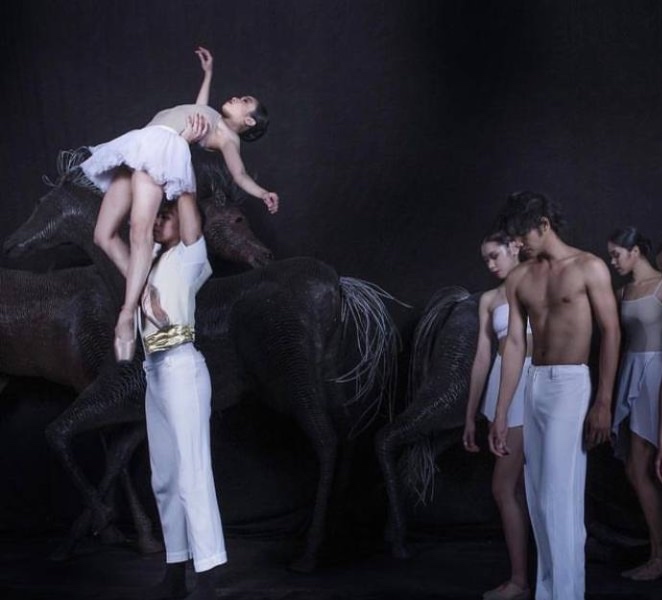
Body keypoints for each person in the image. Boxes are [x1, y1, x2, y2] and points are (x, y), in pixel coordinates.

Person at [80, 47, 278, 363]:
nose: (237, 97)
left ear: (248, 120)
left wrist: (263, 192)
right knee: (103, 235)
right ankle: (146, 293)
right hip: (143, 141)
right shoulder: (212, 117)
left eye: (244, 101)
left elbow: (238, 174)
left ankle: (127, 314)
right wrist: (208, 74)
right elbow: (198, 108)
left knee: (139, 232)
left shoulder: (229, 138)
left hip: (163, 147)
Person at [488, 191, 620, 600]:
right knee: (539, 498)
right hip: (534, 383)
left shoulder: (588, 267)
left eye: (522, 236)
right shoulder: (519, 278)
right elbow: (514, 345)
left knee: (559, 497)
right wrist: (501, 411)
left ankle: (566, 594)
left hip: (570, 384)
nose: (518, 245)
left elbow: (611, 331)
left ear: (544, 224)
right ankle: (549, 593)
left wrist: (604, 401)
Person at [139, 178, 225, 600]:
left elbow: (188, 209)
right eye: (156, 217)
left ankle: (207, 578)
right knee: (165, 477)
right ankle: (175, 571)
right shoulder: (152, 258)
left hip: (181, 367)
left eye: (166, 217)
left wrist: (178, 165)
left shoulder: (191, 257)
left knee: (192, 472)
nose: (158, 222)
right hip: (153, 371)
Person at [463, 231, 532, 600]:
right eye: (485, 259)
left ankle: (525, 580)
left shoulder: (538, 284)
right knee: (511, 487)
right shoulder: (489, 300)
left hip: (537, 378)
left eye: (495, 255)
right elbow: (481, 357)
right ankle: (520, 580)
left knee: (510, 486)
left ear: (515, 247)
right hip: (501, 384)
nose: (490, 264)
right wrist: (470, 414)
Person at [607, 226, 662, 581]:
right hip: (630, 370)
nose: (612, 262)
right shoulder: (621, 291)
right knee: (635, 468)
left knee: (642, 466)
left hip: (657, 374)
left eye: (616, 254)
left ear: (636, 251)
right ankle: (657, 554)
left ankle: (658, 558)